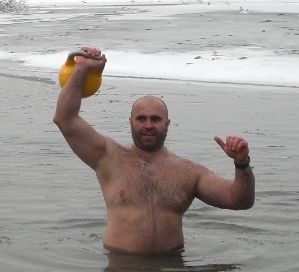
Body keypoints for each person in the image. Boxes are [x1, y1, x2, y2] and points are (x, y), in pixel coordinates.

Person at [52, 47, 254, 255]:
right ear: (130, 122)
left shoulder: (189, 172)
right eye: (141, 119)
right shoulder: (108, 157)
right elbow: (65, 119)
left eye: (156, 119)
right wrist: (82, 69)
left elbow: (239, 201)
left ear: (167, 124)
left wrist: (242, 164)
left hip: (173, 271)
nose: (148, 125)